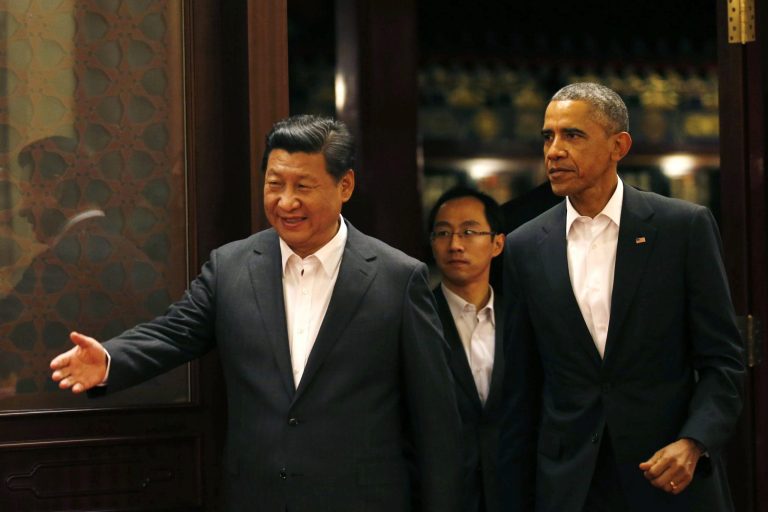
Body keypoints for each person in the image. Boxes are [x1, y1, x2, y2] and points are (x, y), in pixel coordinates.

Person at [50, 114, 463, 512]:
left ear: (346, 185)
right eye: (274, 184)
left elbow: (437, 424)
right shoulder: (231, 267)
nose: (286, 202)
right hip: (256, 496)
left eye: (303, 185)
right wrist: (108, 359)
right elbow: (173, 333)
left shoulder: (397, 278)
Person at [499, 83, 744, 512]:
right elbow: (522, 386)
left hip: (668, 477)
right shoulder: (523, 246)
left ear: (619, 146)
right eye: (547, 137)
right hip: (569, 485)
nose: (554, 150)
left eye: (572, 135)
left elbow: (722, 360)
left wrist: (694, 441)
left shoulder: (682, 228)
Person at [427, 186, 505, 512]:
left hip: (512, 489)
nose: (455, 244)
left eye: (469, 231)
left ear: (497, 243)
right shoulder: (416, 318)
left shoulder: (521, 317)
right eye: (443, 233)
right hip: (442, 493)